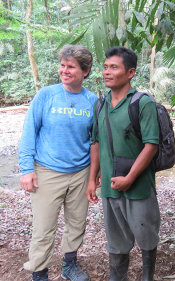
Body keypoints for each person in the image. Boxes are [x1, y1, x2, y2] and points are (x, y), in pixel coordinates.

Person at [18, 45, 97, 281]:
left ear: (85, 71)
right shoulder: (46, 95)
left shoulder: (92, 101)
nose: (64, 70)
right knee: (43, 228)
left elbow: (95, 141)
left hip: (80, 172)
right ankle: (40, 273)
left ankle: (69, 265)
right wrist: (27, 169)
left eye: (70, 66)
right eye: (62, 65)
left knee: (76, 223)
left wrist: (94, 175)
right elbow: (29, 131)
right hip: (47, 171)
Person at [86, 47, 160, 281]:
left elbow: (151, 145)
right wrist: (92, 179)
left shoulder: (142, 103)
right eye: (106, 67)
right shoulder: (101, 104)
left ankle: (148, 276)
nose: (107, 72)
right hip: (110, 185)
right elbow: (96, 143)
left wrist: (130, 178)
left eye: (114, 67)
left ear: (130, 73)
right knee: (116, 239)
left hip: (138, 187)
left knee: (146, 234)